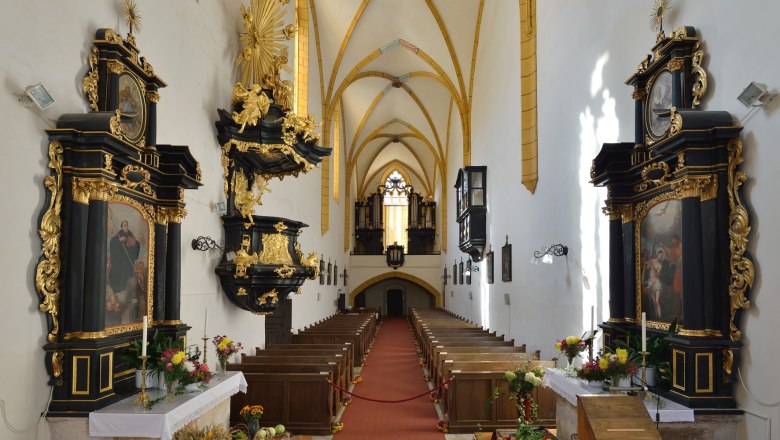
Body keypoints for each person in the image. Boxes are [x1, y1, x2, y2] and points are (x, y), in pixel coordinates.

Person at [108, 220, 140, 294]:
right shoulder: (118, 235)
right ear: (122, 227)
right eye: (124, 225)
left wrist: (128, 241)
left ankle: (125, 289)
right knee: (116, 272)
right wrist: (118, 240)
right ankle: (117, 289)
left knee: (127, 272)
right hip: (118, 260)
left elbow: (136, 244)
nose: (126, 227)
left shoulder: (130, 235)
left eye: (127, 225)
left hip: (127, 260)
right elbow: (113, 243)